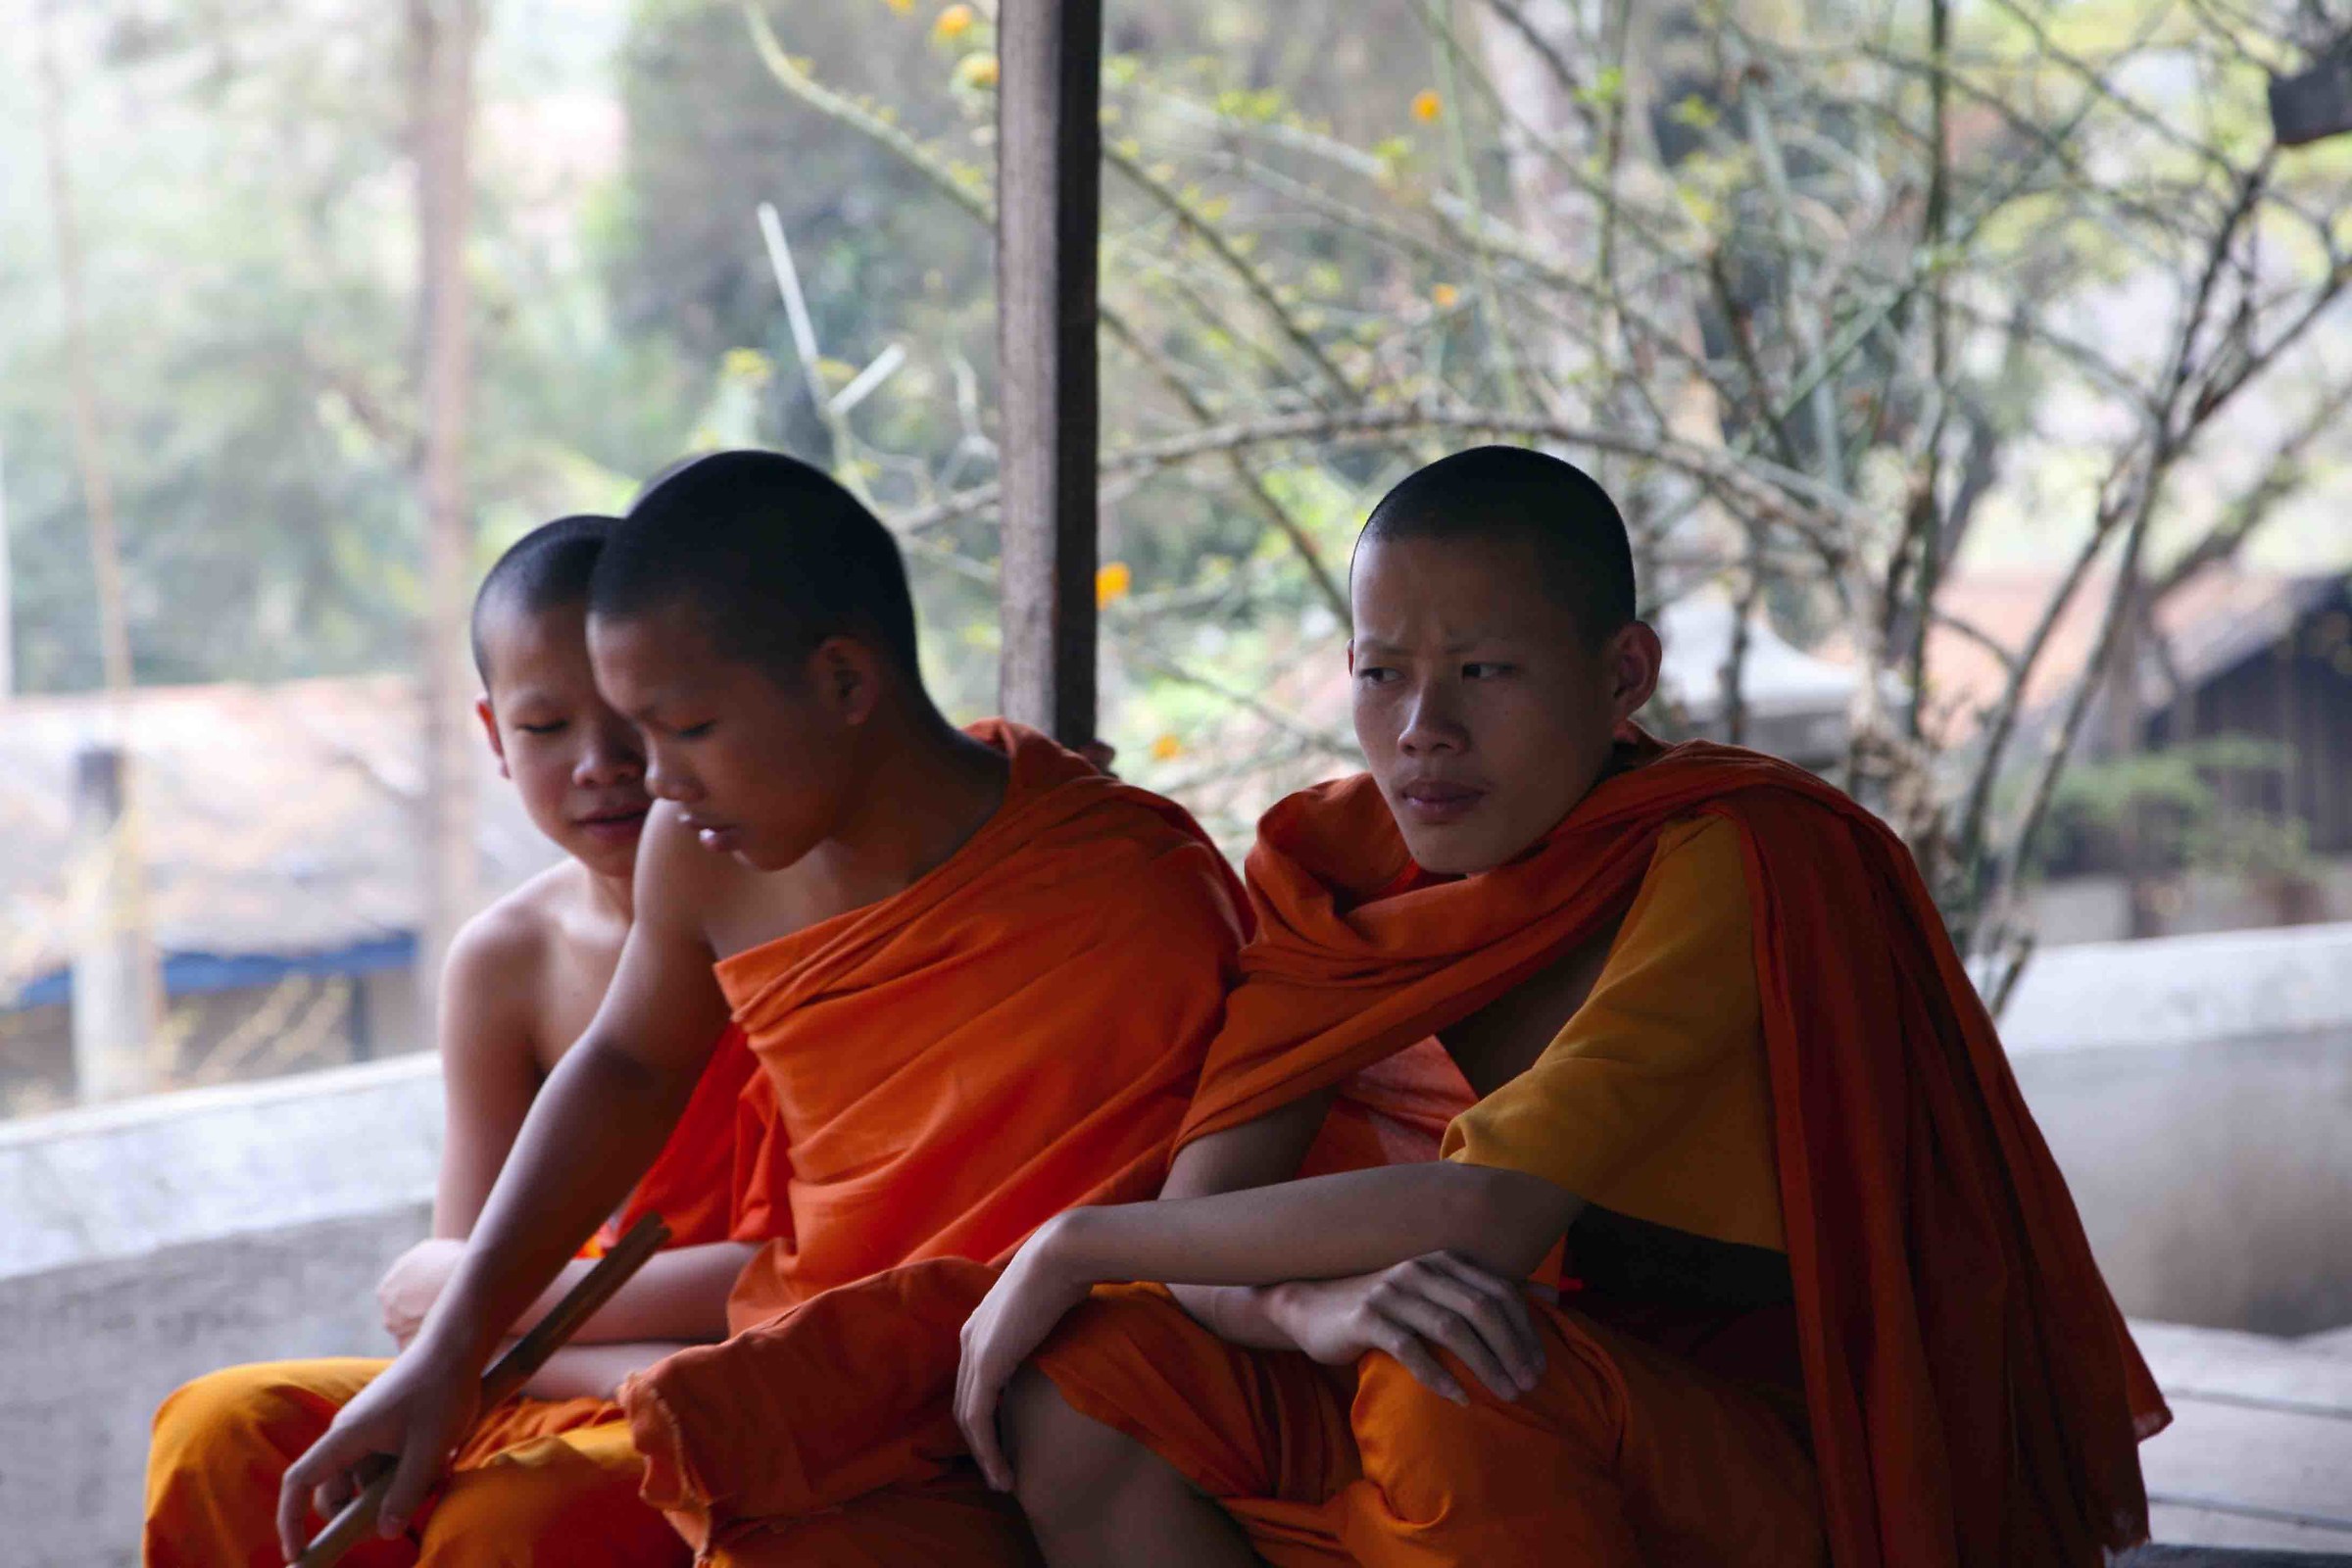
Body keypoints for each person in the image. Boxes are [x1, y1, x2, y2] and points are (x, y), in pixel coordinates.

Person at [956, 445, 2168, 1568]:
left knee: (1451, 1371)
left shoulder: (1737, 853)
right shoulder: (1339, 867)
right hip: (1552, 1395)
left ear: (1622, 673)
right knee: (1092, 1371)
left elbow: (1486, 1209)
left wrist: (1074, 1239)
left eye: (1484, 671)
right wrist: (1302, 1301)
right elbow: (1205, 1227)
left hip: (1809, 1453)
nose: (1424, 732)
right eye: (1384, 675)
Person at [148, 454, 1248, 1567]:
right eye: (611, 732)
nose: (650, 782)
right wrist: (454, 1341)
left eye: (684, 730)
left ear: (844, 682)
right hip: (754, 1353)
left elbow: (1174, 1239)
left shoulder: (1126, 887)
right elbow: (627, 1063)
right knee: (228, 1437)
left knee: (517, 1530)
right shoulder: (701, 852)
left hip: (933, 1403)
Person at [147, 514, 763, 1568]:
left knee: (512, 1524)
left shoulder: (797, 910)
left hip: (737, 1379)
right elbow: (445, 1308)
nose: (601, 763)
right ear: (491, 734)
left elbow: (810, 1272)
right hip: (562, 1377)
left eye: (634, 716)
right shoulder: (508, 959)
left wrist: (506, 1310)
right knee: (221, 1431)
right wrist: (501, 1323)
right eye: (546, 727)